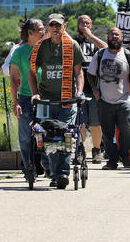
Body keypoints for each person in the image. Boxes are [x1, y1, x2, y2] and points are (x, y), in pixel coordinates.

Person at [29, 13, 86, 189]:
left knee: (65, 134)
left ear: (64, 27)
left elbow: (79, 73)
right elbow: (32, 72)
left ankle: (62, 173)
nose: (55, 28)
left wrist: (80, 93)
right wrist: (35, 93)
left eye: (58, 25)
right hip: (46, 101)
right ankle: (54, 172)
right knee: (49, 136)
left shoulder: (72, 46)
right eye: (52, 25)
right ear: (47, 28)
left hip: (67, 100)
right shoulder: (40, 47)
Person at [88, 27, 130, 170]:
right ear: (108, 37)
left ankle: (125, 155)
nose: (114, 37)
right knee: (107, 133)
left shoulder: (128, 56)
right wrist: (94, 88)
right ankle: (112, 160)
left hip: (124, 101)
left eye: (117, 34)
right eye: (111, 34)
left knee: (127, 130)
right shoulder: (100, 55)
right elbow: (90, 74)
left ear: (122, 37)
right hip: (104, 101)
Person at [9, 18, 45, 173]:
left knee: (46, 134)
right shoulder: (19, 52)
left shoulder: (48, 49)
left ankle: (47, 167)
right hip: (25, 98)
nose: (44, 32)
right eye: (41, 29)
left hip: (45, 99)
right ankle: (28, 168)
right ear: (30, 33)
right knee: (24, 137)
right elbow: (13, 77)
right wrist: (15, 102)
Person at [74, 14, 107, 164]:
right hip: (78, 87)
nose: (84, 25)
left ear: (91, 25)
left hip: (94, 87)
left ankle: (97, 149)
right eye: (82, 23)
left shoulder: (95, 41)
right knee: (80, 122)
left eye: (87, 23)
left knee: (96, 122)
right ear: (77, 25)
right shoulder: (74, 41)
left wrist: (90, 35)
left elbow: (106, 48)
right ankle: (80, 149)